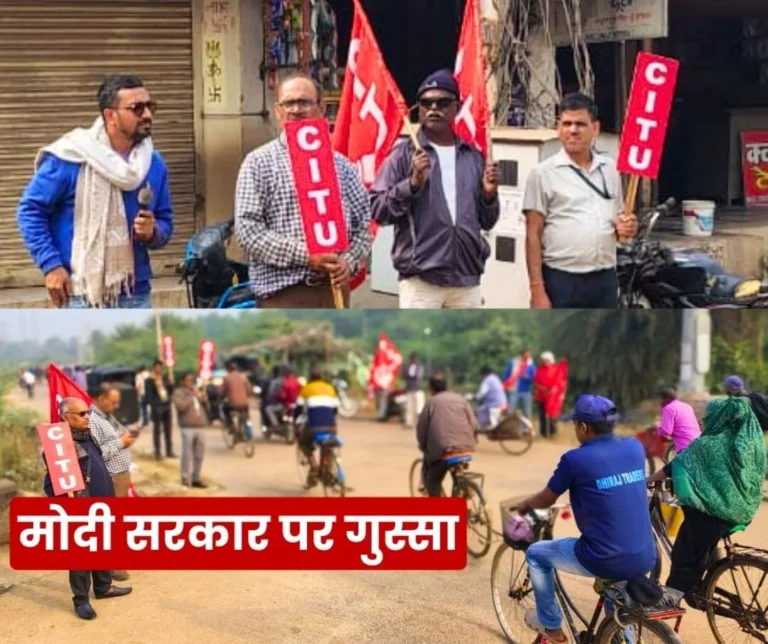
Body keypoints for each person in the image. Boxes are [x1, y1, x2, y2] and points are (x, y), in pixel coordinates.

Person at [17, 74, 174, 309]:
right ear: (110, 115)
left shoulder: (153, 163)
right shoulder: (72, 157)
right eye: (137, 108)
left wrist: (153, 232)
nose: (148, 115)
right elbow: (30, 211)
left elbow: (165, 221)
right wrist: (51, 265)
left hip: (135, 293)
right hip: (81, 294)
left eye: (150, 106)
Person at [517, 395, 657, 643]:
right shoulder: (635, 447)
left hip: (602, 557)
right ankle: (621, 636)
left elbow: (546, 499)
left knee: (536, 554)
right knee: (615, 586)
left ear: (583, 427)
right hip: (646, 555)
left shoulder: (575, 459)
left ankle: (551, 628)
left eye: (575, 424)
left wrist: (525, 504)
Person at [234, 73, 372, 308]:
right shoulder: (258, 163)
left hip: (335, 293)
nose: (296, 109)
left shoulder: (341, 165)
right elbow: (248, 232)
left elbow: (364, 226)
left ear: (321, 107)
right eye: (289, 103)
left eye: (304, 102)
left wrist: (347, 262)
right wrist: (307, 256)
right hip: (283, 295)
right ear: (278, 110)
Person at [371, 69, 500, 309]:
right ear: (418, 108)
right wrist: (412, 185)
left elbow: (488, 221)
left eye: (442, 102)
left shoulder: (473, 157)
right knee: (418, 346)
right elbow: (377, 209)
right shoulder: (404, 155)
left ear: (457, 107)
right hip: (421, 280)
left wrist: (490, 195)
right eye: (426, 102)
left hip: (467, 279)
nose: (433, 108)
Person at [647, 396, 766, 608]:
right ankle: (708, 578)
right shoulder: (752, 443)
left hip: (716, 515)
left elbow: (675, 466)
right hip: (741, 512)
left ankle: (671, 596)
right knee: (704, 542)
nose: (705, 420)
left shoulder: (708, 444)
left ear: (721, 417)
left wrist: (648, 480)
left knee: (685, 550)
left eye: (709, 416)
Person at [524, 93, 637, 309]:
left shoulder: (610, 169)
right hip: (562, 280)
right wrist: (537, 289)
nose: (573, 130)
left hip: (604, 278)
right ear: (559, 128)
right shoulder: (543, 174)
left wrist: (627, 227)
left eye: (580, 124)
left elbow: (619, 222)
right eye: (566, 124)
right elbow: (533, 234)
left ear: (595, 128)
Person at [43, 397, 132, 620]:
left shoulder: (87, 435)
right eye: (81, 414)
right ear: (65, 417)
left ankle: (103, 587)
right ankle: (81, 600)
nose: (87, 418)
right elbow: (51, 485)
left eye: (88, 413)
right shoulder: (59, 448)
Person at [89, 383, 136, 581]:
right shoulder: (92, 420)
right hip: (112, 478)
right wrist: (121, 442)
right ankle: (112, 566)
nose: (116, 405)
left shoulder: (107, 417)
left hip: (121, 475)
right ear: (101, 398)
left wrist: (125, 438)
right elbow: (97, 454)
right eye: (113, 401)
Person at [416, 373, 478, 497]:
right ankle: (464, 488)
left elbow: (421, 429)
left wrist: (423, 446)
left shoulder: (431, 403)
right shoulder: (461, 400)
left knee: (432, 482)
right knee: (456, 470)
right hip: (466, 448)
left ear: (431, 388)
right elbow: (474, 424)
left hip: (443, 450)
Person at [297, 366, 341, 487]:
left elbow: (298, 409)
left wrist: (294, 420)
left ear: (310, 377)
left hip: (313, 427)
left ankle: (313, 465)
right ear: (321, 377)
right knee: (328, 444)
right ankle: (327, 467)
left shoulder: (306, 388)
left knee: (303, 442)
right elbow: (335, 410)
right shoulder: (330, 388)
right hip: (331, 427)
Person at [172, 372, 209, 489]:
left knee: (199, 454)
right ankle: (184, 478)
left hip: (200, 426)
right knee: (187, 454)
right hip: (187, 427)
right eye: (188, 380)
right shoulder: (179, 393)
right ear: (183, 382)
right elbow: (180, 407)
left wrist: (202, 397)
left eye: (192, 380)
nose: (190, 383)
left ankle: (196, 478)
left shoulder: (197, 391)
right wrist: (191, 397)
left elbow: (207, 407)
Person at [144, 360, 175, 460]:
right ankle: (157, 451)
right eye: (157, 367)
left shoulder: (165, 378)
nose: (158, 369)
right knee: (157, 430)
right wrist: (154, 404)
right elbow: (148, 395)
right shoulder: (149, 380)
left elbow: (170, 391)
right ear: (154, 367)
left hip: (166, 405)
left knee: (168, 429)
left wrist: (171, 384)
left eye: (160, 367)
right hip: (157, 406)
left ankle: (169, 451)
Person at [656, 386, 701, 454]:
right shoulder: (686, 406)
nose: (659, 401)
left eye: (660, 399)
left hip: (685, 446)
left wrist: (657, 431)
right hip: (699, 441)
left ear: (664, 398)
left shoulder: (668, 408)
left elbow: (667, 431)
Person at [502, 349, 536, 420]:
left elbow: (534, 378)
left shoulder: (531, 365)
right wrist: (506, 383)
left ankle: (526, 429)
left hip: (526, 390)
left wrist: (527, 377)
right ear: (521, 355)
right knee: (511, 410)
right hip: (513, 389)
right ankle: (509, 427)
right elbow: (506, 374)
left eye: (528, 355)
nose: (527, 357)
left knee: (526, 412)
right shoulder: (513, 363)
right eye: (525, 355)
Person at [220, 361, 252, 434]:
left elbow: (222, 392)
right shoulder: (243, 377)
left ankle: (231, 426)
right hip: (244, 404)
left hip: (232, 404)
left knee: (225, 409)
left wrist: (220, 398)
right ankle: (244, 426)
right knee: (246, 415)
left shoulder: (227, 378)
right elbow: (249, 390)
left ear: (228, 369)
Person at [533, 352, 558, 438]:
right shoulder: (539, 369)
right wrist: (541, 388)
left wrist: (552, 390)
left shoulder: (555, 369)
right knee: (542, 415)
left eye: (546, 360)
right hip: (541, 395)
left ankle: (552, 433)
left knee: (552, 415)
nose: (545, 361)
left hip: (552, 396)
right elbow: (535, 382)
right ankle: (543, 433)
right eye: (543, 360)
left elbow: (558, 383)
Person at [475, 366, 506, 430]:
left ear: (484, 373)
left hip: (494, 404)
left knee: (492, 419)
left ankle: (484, 428)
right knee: (482, 410)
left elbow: (482, 392)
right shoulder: (495, 378)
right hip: (501, 402)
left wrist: (475, 397)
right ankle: (483, 427)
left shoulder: (487, 380)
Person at [403, 353, 425, 429]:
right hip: (409, 388)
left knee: (419, 407)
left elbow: (418, 376)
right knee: (409, 406)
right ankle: (408, 422)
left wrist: (411, 377)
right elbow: (405, 375)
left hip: (417, 388)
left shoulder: (419, 367)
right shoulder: (407, 367)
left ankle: (420, 423)